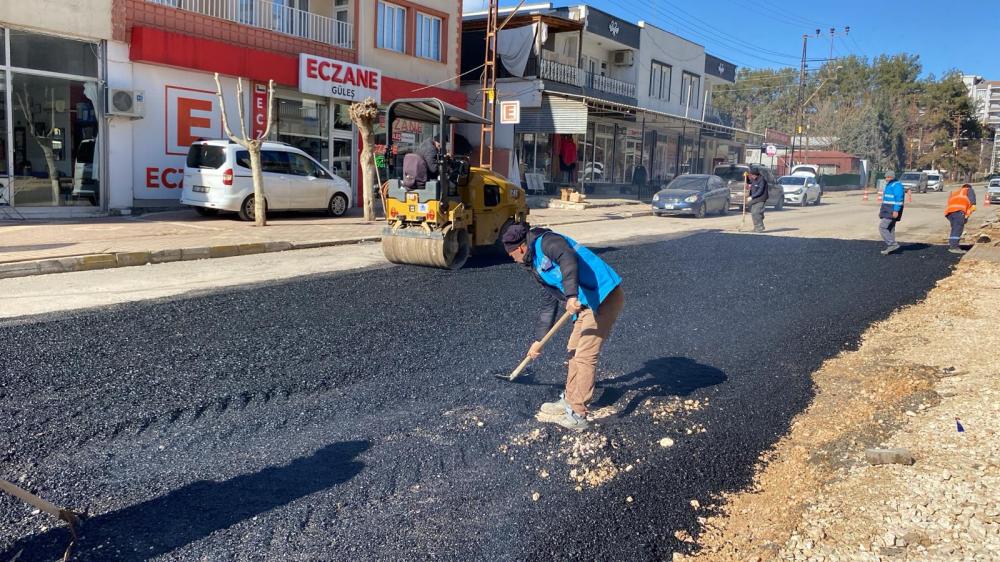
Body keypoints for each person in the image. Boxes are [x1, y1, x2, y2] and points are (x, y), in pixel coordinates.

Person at [501, 223, 625, 432]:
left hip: (603, 297)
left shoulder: (548, 242)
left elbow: (568, 259)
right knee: (573, 350)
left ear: (520, 249)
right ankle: (569, 399)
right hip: (584, 305)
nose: (513, 260)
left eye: (512, 255)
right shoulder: (537, 266)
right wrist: (539, 340)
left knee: (585, 355)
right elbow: (549, 304)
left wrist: (571, 295)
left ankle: (578, 414)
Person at [944, 183, 977, 254]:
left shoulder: (955, 192)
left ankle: (952, 245)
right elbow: (973, 205)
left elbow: (949, 202)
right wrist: (966, 217)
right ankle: (954, 247)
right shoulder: (969, 190)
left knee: (955, 228)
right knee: (958, 229)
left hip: (949, 212)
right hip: (958, 211)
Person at [879, 170, 905, 255]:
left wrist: (896, 210)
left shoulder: (896, 185)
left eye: (889, 177)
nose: (887, 179)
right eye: (886, 177)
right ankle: (892, 248)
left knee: (882, 227)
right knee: (890, 228)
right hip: (887, 209)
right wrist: (881, 211)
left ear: (893, 177)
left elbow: (899, 199)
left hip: (892, 209)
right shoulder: (890, 184)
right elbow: (886, 199)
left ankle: (892, 244)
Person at [746, 166, 768, 232]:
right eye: (750, 175)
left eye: (752, 175)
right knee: (753, 212)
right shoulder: (754, 179)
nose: (751, 176)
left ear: (755, 174)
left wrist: (752, 197)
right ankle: (756, 227)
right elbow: (749, 182)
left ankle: (760, 227)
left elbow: (760, 191)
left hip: (761, 198)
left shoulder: (762, 180)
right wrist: (746, 176)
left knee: (756, 212)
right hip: (755, 198)